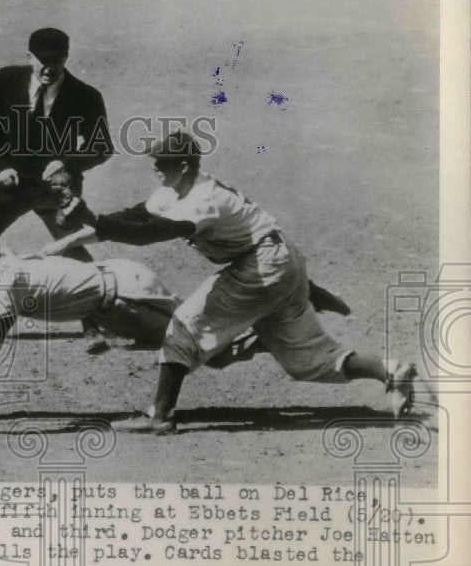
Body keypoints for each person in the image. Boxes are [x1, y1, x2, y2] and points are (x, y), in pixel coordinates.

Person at [39, 130, 417, 432]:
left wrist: (97, 224)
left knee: (183, 328)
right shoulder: (172, 190)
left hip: (262, 267)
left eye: (162, 162)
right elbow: (130, 218)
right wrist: (80, 225)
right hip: (281, 263)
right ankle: (390, 370)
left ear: (184, 165)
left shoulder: (204, 199)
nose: (154, 166)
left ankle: (159, 414)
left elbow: (150, 233)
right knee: (308, 361)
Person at [0, 242, 262, 403]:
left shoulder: (5, 281)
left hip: (127, 296)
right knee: (198, 340)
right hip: (110, 291)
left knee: (201, 350)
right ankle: (252, 327)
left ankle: (263, 328)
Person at [0, 27, 115, 353]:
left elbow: (103, 147)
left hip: (55, 187)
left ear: (67, 58)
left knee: (72, 246)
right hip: (11, 180)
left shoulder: (86, 96)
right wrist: (1, 166)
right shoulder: (8, 79)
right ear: (30, 56)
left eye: (56, 61)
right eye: (42, 61)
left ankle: (92, 322)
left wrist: (67, 163)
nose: (49, 68)